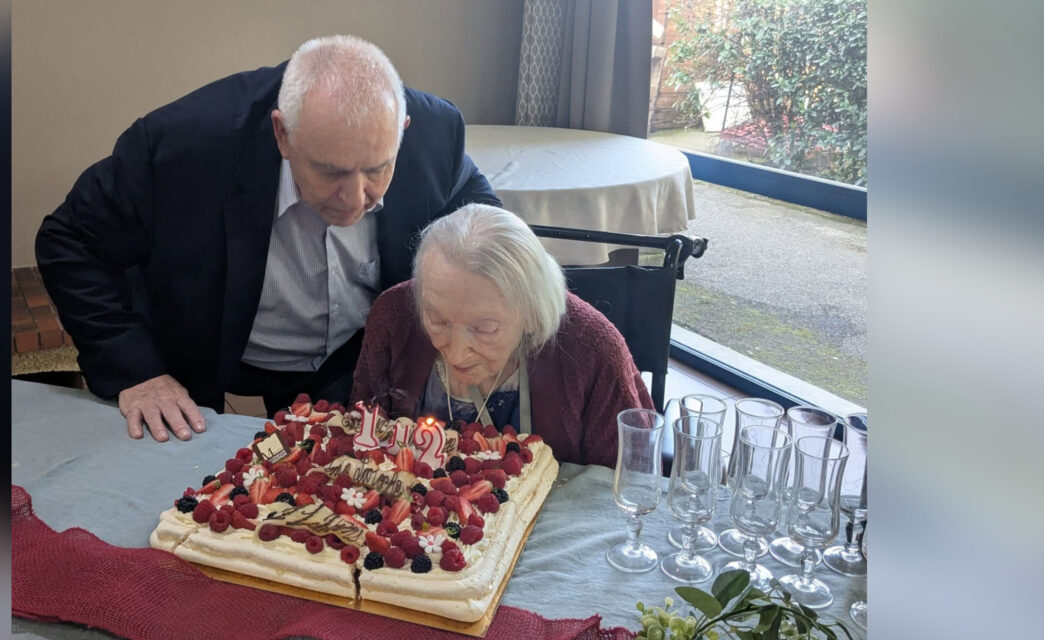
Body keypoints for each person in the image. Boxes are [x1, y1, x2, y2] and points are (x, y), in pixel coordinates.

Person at [36, 35, 499, 443]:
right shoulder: (184, 147)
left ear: (402, 132)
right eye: (331, 171)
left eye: (377, 168)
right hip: (211, 347)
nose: (357, 199)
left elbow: (484, 224)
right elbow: (69, 240)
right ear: (282, 134)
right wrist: (135, 370)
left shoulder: (436, 134)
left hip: (352, 354)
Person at [350, 203, 655, 467]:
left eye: (485, 328)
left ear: (531, 315)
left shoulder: (593, 350)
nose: (455, 353)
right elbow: (361, 434)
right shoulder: (393, 317)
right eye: (437, 320)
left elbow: (627, 479)